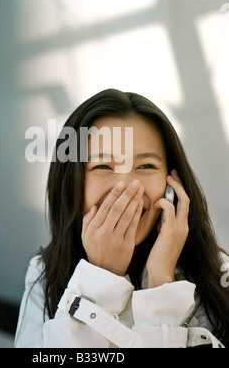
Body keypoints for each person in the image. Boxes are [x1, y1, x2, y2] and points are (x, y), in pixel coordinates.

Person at [14, 89, 229, 348]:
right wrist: (100, 278)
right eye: (103, 167)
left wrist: (161, 282)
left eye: (146, 166)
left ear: (173, 184)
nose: (127, 188)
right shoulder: (45, 275)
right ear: (72, 184)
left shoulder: (217, 274)